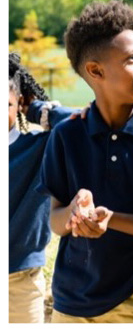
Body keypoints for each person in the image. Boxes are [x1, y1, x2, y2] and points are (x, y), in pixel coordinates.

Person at [37, 0, 133, 323]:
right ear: (95, 71)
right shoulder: (66, 136)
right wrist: (75, 214)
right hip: (70, 303)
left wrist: (109, 219)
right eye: (132, 59)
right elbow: (55, 220)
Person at [9, 52, 74, 323]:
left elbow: (82, 122)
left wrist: (40, 110)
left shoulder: (38, 146)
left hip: (20, 285)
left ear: (18, 103)